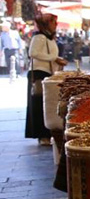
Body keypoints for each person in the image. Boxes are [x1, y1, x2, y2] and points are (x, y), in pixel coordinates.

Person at [26, 13, 67, 145]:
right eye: (53, 22)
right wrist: (54, 58)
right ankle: (42, 136)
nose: (56, 25)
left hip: (47, 73)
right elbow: (32, 53)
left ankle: (46, 135)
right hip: (39, 73)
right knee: (39, 104)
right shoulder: (39, 37)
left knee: (45, 105)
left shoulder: (49, 37)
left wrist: (57, 60)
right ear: (46, 24)